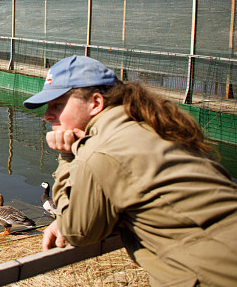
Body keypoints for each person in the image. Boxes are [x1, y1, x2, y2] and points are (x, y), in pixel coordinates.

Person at [24, 55, 237, 285]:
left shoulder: (100, 151)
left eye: (58, 104)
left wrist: (67, 157)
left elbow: (78, 232)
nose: (47, 115)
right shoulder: (153, 126)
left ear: (95, 103)